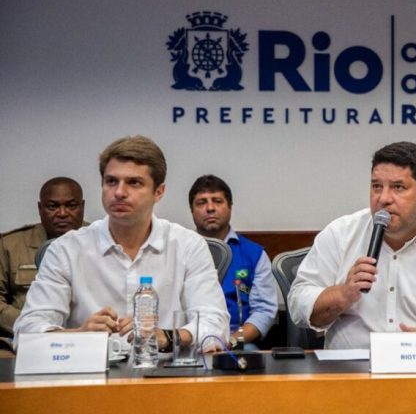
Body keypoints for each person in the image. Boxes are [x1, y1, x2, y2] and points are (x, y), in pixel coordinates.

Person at [15, 136, 229, 352]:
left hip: (166, 375)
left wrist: (165, 337)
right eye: (111, 181)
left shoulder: (188, 246)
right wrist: (79, 335)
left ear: (159, 192)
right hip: (89, 376)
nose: (119, 192)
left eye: (134, 183)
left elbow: (216, 328)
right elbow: (26, 333)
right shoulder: (66, 250)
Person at [288, 141, 416, 349]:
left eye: (398, 187)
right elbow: (298, 304)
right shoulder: (341, 234)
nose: (384, 199)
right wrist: (341, 294)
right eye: (377, 186)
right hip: (349, 372)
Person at [189, 174, 278, 349]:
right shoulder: (180, 250)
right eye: (201, 202)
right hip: (189, 340)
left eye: (217, 201)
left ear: (230, 207)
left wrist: (230, 341)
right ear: (191, 210)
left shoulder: (254, 254)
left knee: (250, 356)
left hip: (237, 341)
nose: (210, 208)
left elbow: (264, 311)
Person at [0, 177, 86, 336]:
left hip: (89, 335)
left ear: (82, 207)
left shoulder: (101, 241)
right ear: (40, 208)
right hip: (24, 340)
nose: (62, 213)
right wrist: (31, 324)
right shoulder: (10, 246)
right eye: (52, 206)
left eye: (71, 206)